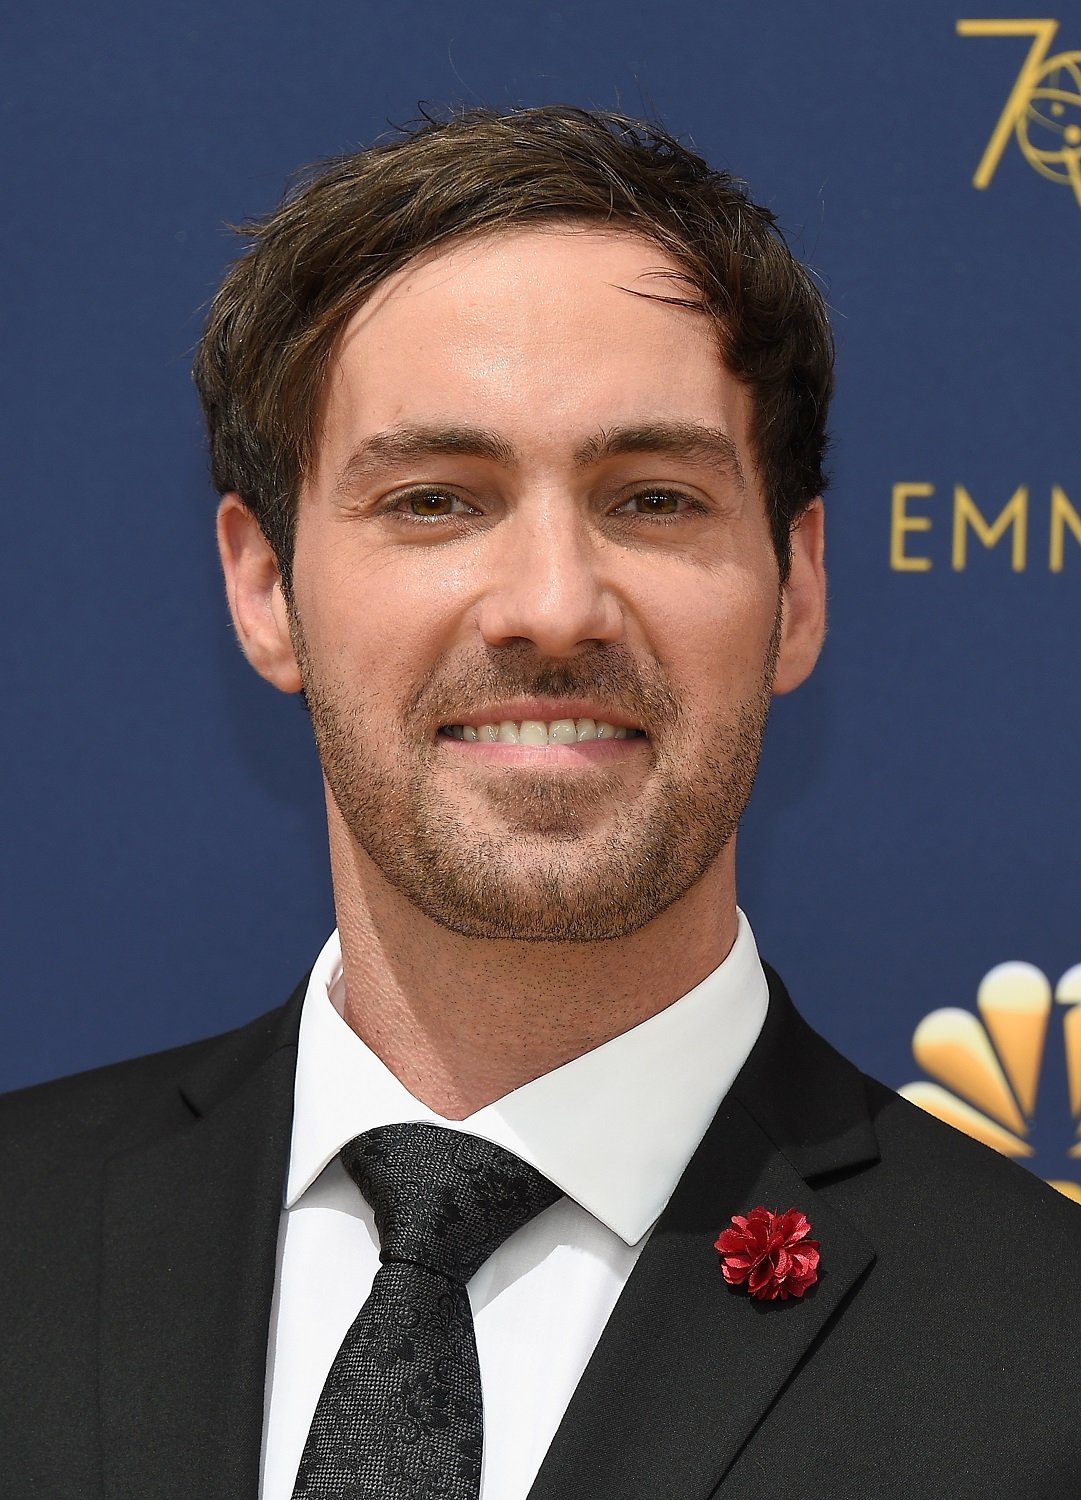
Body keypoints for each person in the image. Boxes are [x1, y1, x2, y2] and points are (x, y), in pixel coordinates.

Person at [1, 106, 1077, 1500]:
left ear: (798, 589)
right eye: (435, 500)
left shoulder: (1046, 1355)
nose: (554, 606)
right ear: (264, 590)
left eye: (654, 501)